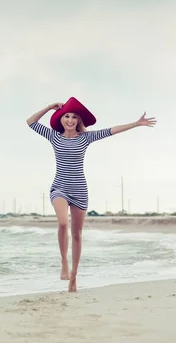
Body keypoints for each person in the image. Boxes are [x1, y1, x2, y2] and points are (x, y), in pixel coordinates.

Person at [26, 97, 157, 292]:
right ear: (61, 119)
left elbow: (111, 130)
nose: (70, 120)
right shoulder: (54, 137)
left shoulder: (85, 138)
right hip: (60, 187)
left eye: (74, 117)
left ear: (78, 121)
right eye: (67, 116)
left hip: (79, 190)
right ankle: (64, 263)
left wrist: (136, 124)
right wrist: (48, 107)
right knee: (63, 223)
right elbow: (31, 122)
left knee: (77, 234)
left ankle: (74, 277)